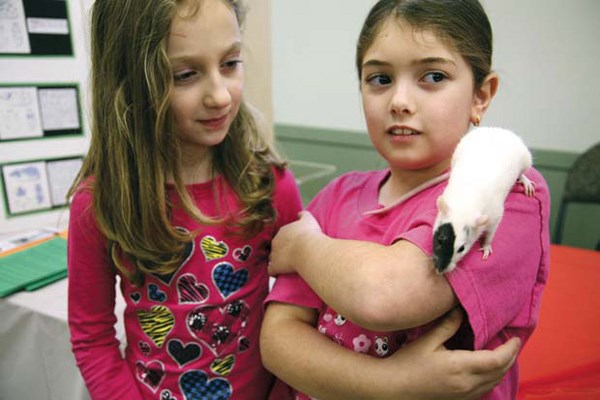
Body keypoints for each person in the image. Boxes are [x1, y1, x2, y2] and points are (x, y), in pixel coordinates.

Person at [261, 0, 550, 399]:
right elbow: (277, 341)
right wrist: (389, 383)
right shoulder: (336, 196)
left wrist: (304, 247)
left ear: (481, 95)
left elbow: (386, 296)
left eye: (432, 76)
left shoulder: (507, 194)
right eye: (379, 79)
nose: (399, 100)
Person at [66, 0, 304, 399]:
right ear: (130, 83)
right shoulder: (97, 204)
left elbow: (301, 309)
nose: (220, 96)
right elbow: (92, 338)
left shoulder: (270, 185)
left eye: (230, 64)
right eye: (186, 74)